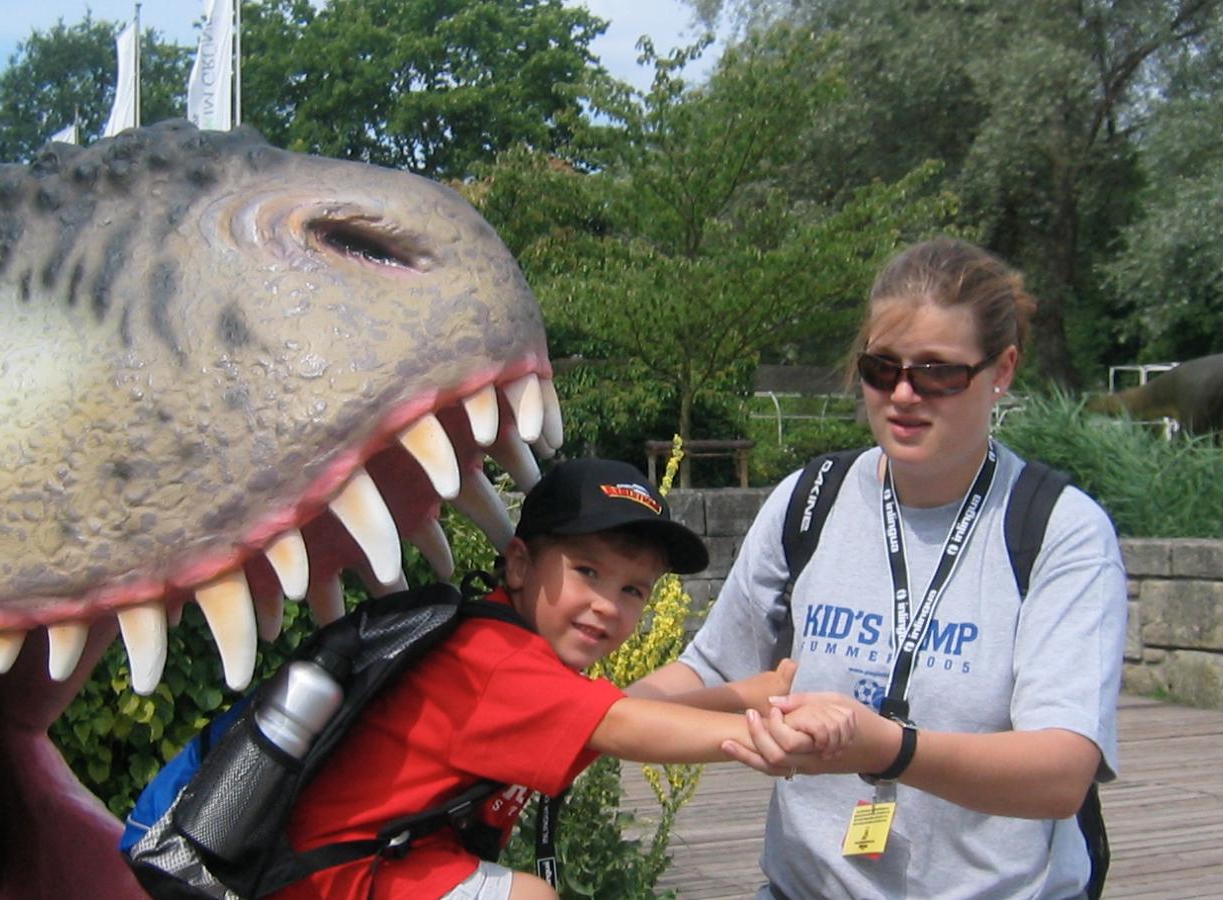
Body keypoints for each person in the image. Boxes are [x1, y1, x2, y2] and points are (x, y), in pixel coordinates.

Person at [629, 238, 1129, 899]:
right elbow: (717, 668)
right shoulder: (810, 500)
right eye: (880, 367)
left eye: (937, 373)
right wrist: (585, 715)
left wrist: (889, 749)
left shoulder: (1058, 529)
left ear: (1001, 370)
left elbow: (1061, 772)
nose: (902, 393)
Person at [275, 458, 854, 900]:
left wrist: (744, 695)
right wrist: (768, 734)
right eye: (587, 572)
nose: (607, 605)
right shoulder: (498, 660)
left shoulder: (509, 647)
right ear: (521, 564)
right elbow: (624, 725)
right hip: (342, 879)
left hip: (367, 865)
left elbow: (612, 714)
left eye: (633, 590)